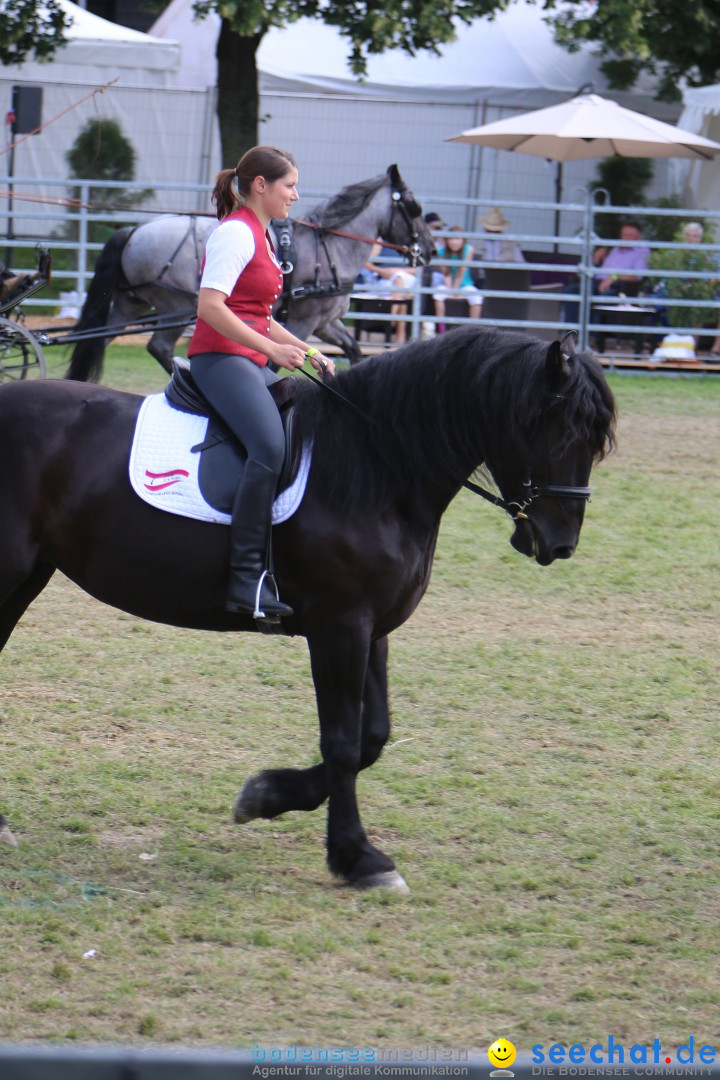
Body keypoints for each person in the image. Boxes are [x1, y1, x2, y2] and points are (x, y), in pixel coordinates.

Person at [187, 145, 334, 621]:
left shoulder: (264, 235)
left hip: (249, 357)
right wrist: (273, 353)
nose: (295, 194)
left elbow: (259, 316)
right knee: (268, 447)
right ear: (260, 186)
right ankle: (245, 578)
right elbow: (210, 308)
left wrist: (307, 349)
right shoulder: (235, 234)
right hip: (219, 358)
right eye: (289, 185)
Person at [562, 221, 650, 326]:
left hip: (619, 286)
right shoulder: (615, 249)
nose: (625, 238)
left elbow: (637, 277)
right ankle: (573, 331)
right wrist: (596, 257)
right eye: (624, 235)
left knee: (604, 297)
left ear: (638, 238)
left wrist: (614, 277)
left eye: (630, 235)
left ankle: (594, 335)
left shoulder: (642, 252)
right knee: (571, 291)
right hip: (598, 282)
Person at [360, 242, 416, 344]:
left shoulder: (411, 244)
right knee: (403, 294)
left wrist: (395, 271)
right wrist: (381, 271)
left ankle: (392, 318)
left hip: (407, 277)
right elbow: (366, 263)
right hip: (386, 280)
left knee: (400, 278)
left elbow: (418, 268)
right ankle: (400, 335)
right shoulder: (380, 244)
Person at [432, 225, 484, 322]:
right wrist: (450, 290)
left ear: (463, 240)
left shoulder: (468, 250)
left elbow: (461, 271)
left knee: (476, 298)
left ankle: (473, 328)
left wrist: (455, 291)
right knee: (438, 295)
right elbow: (446, 274)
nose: (454, 242)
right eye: (451, 239)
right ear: (446, 240)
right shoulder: (441, 252)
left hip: (464, 285)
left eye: (457, 239)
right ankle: (441, 329)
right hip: (448, 285)